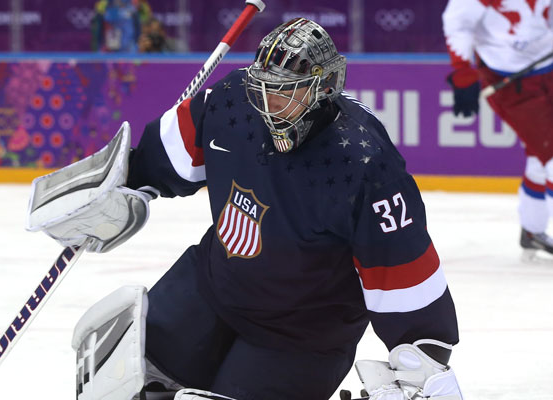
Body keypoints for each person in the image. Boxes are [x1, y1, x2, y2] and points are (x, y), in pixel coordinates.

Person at [28, 18, 463, 400]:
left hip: (300, 335)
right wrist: (116, 188)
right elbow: (159, 160)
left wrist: (423, 352)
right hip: (210, 291)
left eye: (286, 94)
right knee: (120, 386)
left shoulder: (365, 163)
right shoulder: (233, 101)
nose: (269, 107)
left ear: (325, 89)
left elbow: (402, 267)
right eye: (264, 90)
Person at [442, 0, 553, 265]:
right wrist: (463, 70)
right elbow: (458, 23)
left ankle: (533, 232)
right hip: (509, 80)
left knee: (543, 156)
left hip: (545, 72)